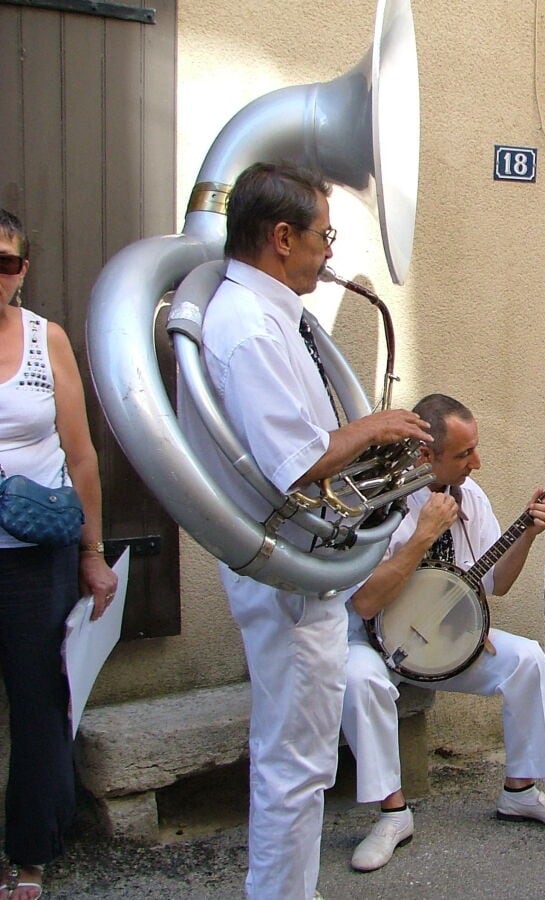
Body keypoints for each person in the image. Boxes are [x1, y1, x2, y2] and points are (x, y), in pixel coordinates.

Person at [176, 162, 432, 899]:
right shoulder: (251, 327)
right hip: (285, 573)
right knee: (295, 762)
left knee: (303, 756)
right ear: (282, 238)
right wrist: (373, 426)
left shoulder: (266, 316)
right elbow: (297, 460)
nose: (330, 252)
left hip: (295, 565)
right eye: (324, 236)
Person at [341, 393, 545, 873]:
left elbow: (496, 585)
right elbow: (367, 602)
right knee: (360, 679)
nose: (476, 463)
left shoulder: (470, 496)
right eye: (463, 454)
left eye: (474, 449)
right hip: (371, 640)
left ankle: (521, 791)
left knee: (526, 659)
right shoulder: (379, 504)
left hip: (442, 643)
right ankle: (392, 814)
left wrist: (528, 535)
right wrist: (421, 536)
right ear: (424, 456)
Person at [0, 208, 119, 900]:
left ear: (24, 269)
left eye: (9, 262)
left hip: (33, 556)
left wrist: (92, 553)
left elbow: (81, 457)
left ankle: (31, 851)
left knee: (40, 702)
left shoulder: (48, 341)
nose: (1, 275)